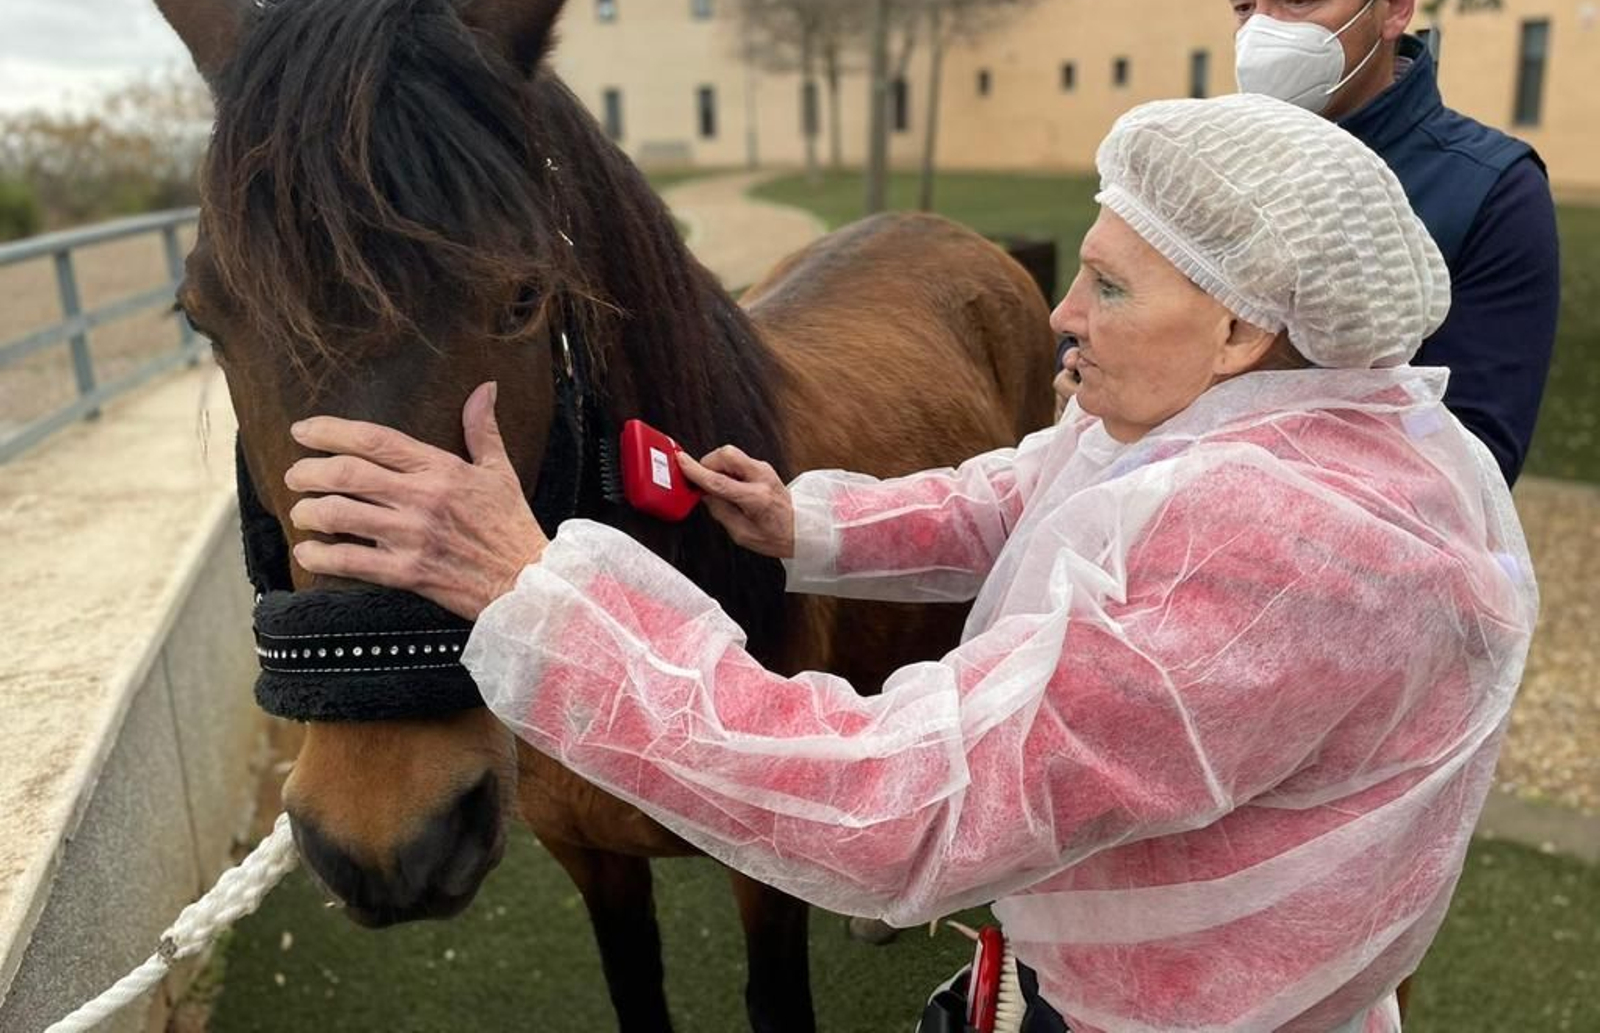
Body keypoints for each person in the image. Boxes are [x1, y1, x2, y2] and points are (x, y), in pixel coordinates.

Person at [285, 95, 1537, 1032]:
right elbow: (1023, 488)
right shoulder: (1282, 413)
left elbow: (903, 812)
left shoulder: (1277, 557)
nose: (1061, 310)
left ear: (1238, 325)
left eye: (1106, 283)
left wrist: (537, 599)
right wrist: (801, 523)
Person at [1225, 0, 1560, 486]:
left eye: (1298, 1)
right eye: (1244, 5)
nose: (1260, 34)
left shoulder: (1492, 191)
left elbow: (1474, 460)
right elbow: (1098, 321)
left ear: (1395, 3)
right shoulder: (1206, 157)